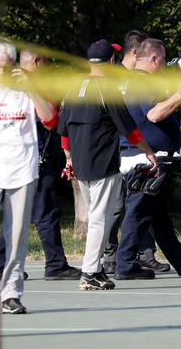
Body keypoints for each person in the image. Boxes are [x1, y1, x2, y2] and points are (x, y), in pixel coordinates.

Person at [58, 39, 158, 290]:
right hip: (102, 163)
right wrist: (148, 152)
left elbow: (63, 131)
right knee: (100, 220)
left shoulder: (73, 89)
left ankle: (96, 269)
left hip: (81, 165)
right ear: (111, 61)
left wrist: (68, 158)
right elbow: (130, 130)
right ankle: (90, 272)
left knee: (97, 218)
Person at [0, 39, 58, 314]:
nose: (2, 73)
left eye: (6, 67)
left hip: (22, 169)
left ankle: (11, 294)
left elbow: (51, 119)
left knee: (17, 236)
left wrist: (31, 91)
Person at [0, 50, 82, 281]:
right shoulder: (31, 84)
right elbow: (49, 120)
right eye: (46, 62)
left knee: (19, 214)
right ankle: (56, 265)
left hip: (9, 156)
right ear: (36, 61)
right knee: (47, 213)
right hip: (32, 158)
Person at [114, 38, 181, 278]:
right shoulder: (144, 82)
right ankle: (125, 264)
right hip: (145, 159)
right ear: (153, 59)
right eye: (162, 60)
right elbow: (154, 114)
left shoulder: (129, 81)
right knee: (139, 212)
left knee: (157, 216)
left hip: (138, 155)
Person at [103, 30, 169, 274]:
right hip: (133, 152)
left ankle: (152, 255)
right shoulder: (124, 80)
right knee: (127, 208)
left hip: (133, 150)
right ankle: (118, 259)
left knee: (151, 212)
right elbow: (149, 116)